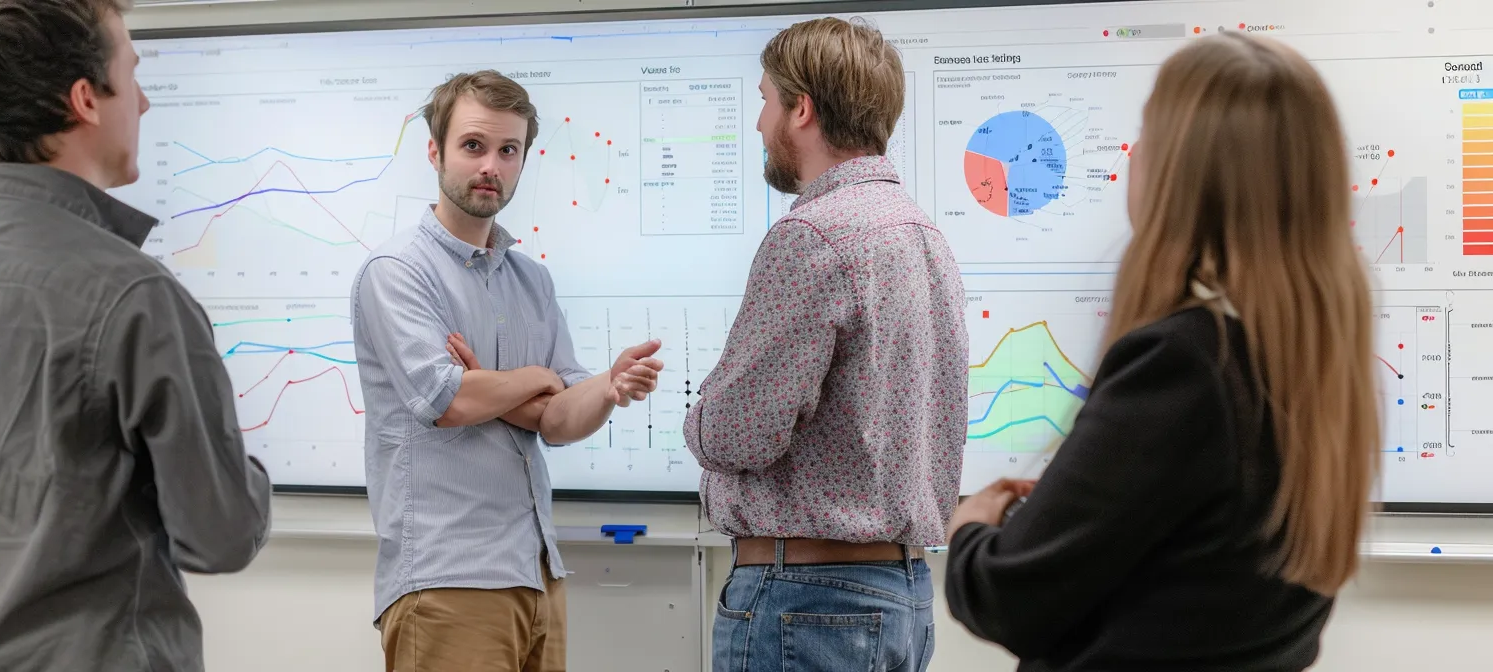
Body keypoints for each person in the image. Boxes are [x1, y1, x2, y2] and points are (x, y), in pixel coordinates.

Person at [945, 31, 1379, 672]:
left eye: (1148, 134)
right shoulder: (1313, 359)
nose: (1133, 154)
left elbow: (1007, 596)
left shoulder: (1184, 364)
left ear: (1182, 174)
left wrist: (970, 529)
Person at [0, 1, 272, 670]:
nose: (141, 102)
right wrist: (239, 472)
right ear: (86, 99)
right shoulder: (136, 295)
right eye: (131, 76)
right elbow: (220, 535)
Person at [350, 69, 664, 672]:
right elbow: (450, 402)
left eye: (508, 150)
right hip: (447, 580)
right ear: (436, 151)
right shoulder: (396, 271)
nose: (491, 164)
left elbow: (557, 422)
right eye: (473, 146)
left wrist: (606, 387)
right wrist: (536, 380)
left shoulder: (532, 280)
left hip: (538, 577)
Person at [687, 16, 968, 672]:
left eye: (765, 100)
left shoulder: (813, 236)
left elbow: (735, 435)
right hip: (903, 599)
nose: (759, 123)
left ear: (802, 109)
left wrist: (700, 414)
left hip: (806, 602)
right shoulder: (925, 237)